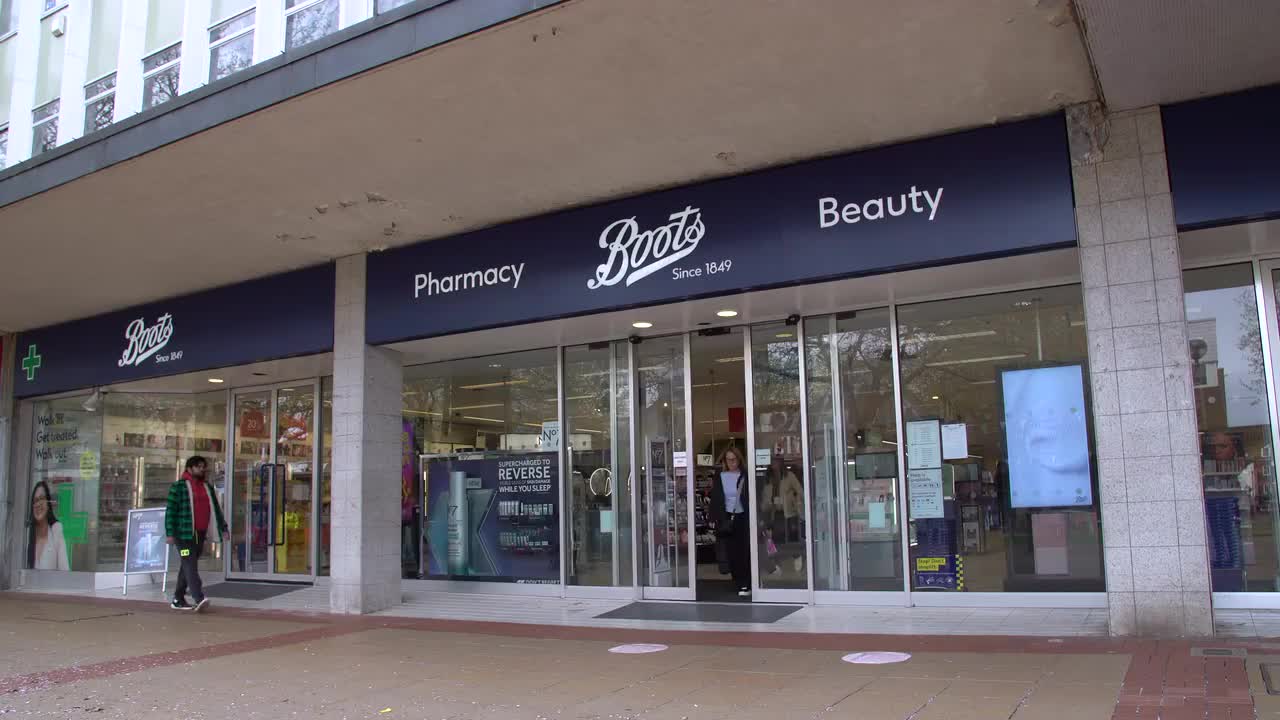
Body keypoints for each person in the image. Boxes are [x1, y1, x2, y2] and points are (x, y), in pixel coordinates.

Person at [165, 456, 228, 612]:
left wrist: (223, 528)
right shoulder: (178, 487)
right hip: (183, 536)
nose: (202, 469)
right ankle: (198, 597)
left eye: (203, 467)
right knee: (189, 561)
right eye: (198, 467)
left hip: (199, 534)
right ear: (190, 468)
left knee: (187, 565)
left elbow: (216, 509)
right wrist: (170, 533)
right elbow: (170, 512)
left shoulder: (207, 487)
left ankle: (178, 598)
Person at [710, 447, 751, 597]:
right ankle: (738, 581)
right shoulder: (720, 476)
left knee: (744, 551)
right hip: (727, 517)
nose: (731, 462)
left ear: (739, 459)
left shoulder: (745, 475)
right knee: (731, 552)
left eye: (734, 459)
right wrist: (714, 519)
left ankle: (746, 582)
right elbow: (716, 498)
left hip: (743, 517)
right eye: (728, 459)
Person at [28, 481, 70, 570]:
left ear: (48, 504)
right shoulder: (26, 535)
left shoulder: (56, 531)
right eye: (35, 501)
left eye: (42, 498)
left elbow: (65, 571)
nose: (38, 504)